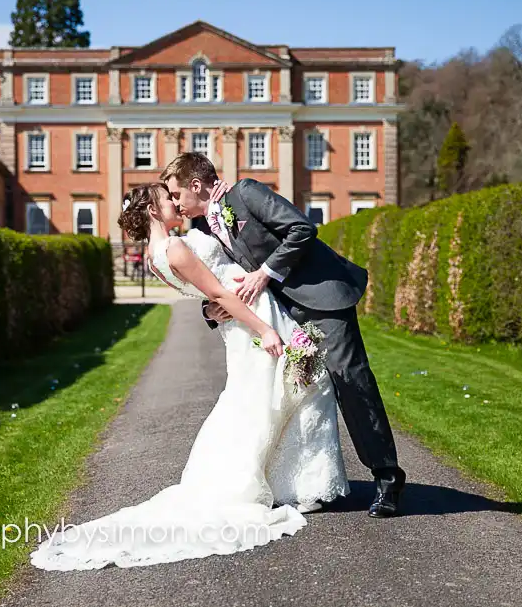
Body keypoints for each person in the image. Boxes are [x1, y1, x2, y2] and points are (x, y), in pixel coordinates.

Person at [29, 183, 348, 571]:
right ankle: (286, 484)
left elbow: (206, 298)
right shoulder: (176, 247)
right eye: (167, 199)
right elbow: (220, 294)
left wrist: (214, 308)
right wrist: (264, 330)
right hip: (251, 317)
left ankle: (285, 482)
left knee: (262, 398)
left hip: (239, 323)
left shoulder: (153, 257)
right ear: (152, 210)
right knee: (279, 396)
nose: (175, 203)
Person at [161, 152, 407, 519]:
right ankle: (301, 481)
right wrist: (211, 310)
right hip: (280, 313)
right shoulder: (209, 227)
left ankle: (387, 477)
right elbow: (218, 281)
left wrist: (264, 273)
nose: (177, 205)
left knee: (350, 380)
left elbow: (302, 229)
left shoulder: (245, 193)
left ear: (196, 185)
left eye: (177, 195)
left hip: (321, 297)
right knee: (295, 392)